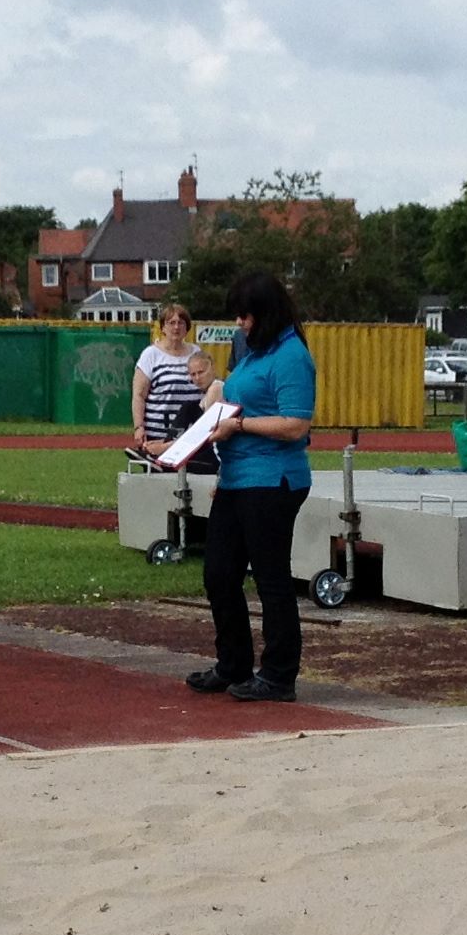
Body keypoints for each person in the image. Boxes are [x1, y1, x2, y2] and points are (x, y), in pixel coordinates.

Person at [188, 272, 315, 703]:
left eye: (246, 316)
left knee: (270, 577)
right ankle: (233, 664)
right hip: (237, 477)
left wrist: (239, 425)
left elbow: (295, 424)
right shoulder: (252, 351)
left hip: (273, 479)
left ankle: (279, 674)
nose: (240, 323)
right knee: (219, 573)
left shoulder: (291, 356)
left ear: (267, 313)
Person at [130, 303, 201, 459]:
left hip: (190, 435)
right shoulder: (151, 355)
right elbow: (139, 395)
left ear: (187, 328)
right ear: (162, 327)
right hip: (158, 434)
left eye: (181, 323)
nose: (176, 327)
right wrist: (138, 427)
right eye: (171, 323)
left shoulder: (196, 353)